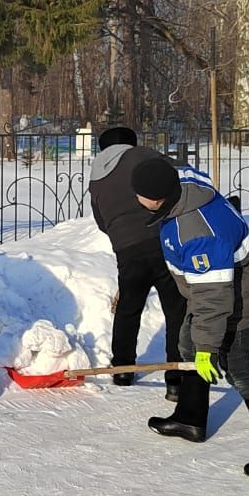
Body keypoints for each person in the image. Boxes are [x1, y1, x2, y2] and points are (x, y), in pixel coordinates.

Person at [130, 156, 249, 482]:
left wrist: (208, 346)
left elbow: (213, 299)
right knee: (186, 342)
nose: (134, 199)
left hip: (234, 293)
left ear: (156, 199)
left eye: (138, 194)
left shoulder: (198, 233)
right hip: (211, 285)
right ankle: (191, 418)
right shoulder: (182, 183)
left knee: (237, 368)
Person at [88, 126, 188, 399]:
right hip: (160, 239)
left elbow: (101, 223)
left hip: (126, 249)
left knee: (129, 307)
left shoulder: (95, 179)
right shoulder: (140, 156)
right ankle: (176, 377)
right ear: (130, 143)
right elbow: (175, 176)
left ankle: (122, 369)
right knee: (175, 307)